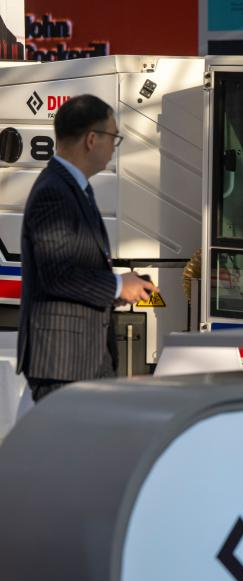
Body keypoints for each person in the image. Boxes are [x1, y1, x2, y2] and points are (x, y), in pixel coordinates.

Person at [17, 94, 157, 402]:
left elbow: (74, 270)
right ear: (92, 139)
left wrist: (118, 290)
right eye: (113, 137)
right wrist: (117, 284)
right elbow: (57, 275)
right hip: (63, 363)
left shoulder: (74, 187)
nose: (114, 147)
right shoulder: (55, 192)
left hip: (84, 359)